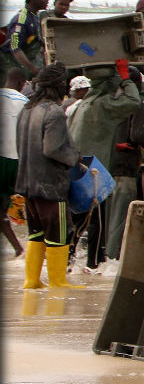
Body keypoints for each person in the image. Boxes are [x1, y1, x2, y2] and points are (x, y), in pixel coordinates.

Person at [66, 60, 142, 270]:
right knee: (95, 220)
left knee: (76, 219)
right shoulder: (104, 104)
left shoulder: (81, 105)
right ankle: (94, 265)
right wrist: (125, 79)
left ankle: (68, 263)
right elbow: (133, 101)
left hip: (76, 166)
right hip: (93, 170)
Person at [16, 63, 84, 288]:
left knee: (36, 233)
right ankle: (58, 281)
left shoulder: (27, 110)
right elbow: (53, 149)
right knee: (59, 234)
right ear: (56, 86)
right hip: (50, 184)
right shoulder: (53, 112)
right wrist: (74, 157)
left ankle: (32, 280)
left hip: (27, 182)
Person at [104, 65, 144, 260]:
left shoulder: (108, 101)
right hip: (126, 166)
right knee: (120, 218)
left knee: (106, 216)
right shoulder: (135, 104)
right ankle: (112, 259)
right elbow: (136, 134)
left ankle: (99, 258)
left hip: (105, 165)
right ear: (136, 83)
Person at [1, 69, 29, 258]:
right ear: (21, 83)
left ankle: (18, 248)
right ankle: (27, 248)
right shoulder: (25, 103)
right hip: (18, 161)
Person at [0, 0, 52, 84]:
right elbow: (14, 47)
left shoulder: (34, 16)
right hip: (11, 67)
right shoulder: (21, 19)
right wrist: (34, 69)